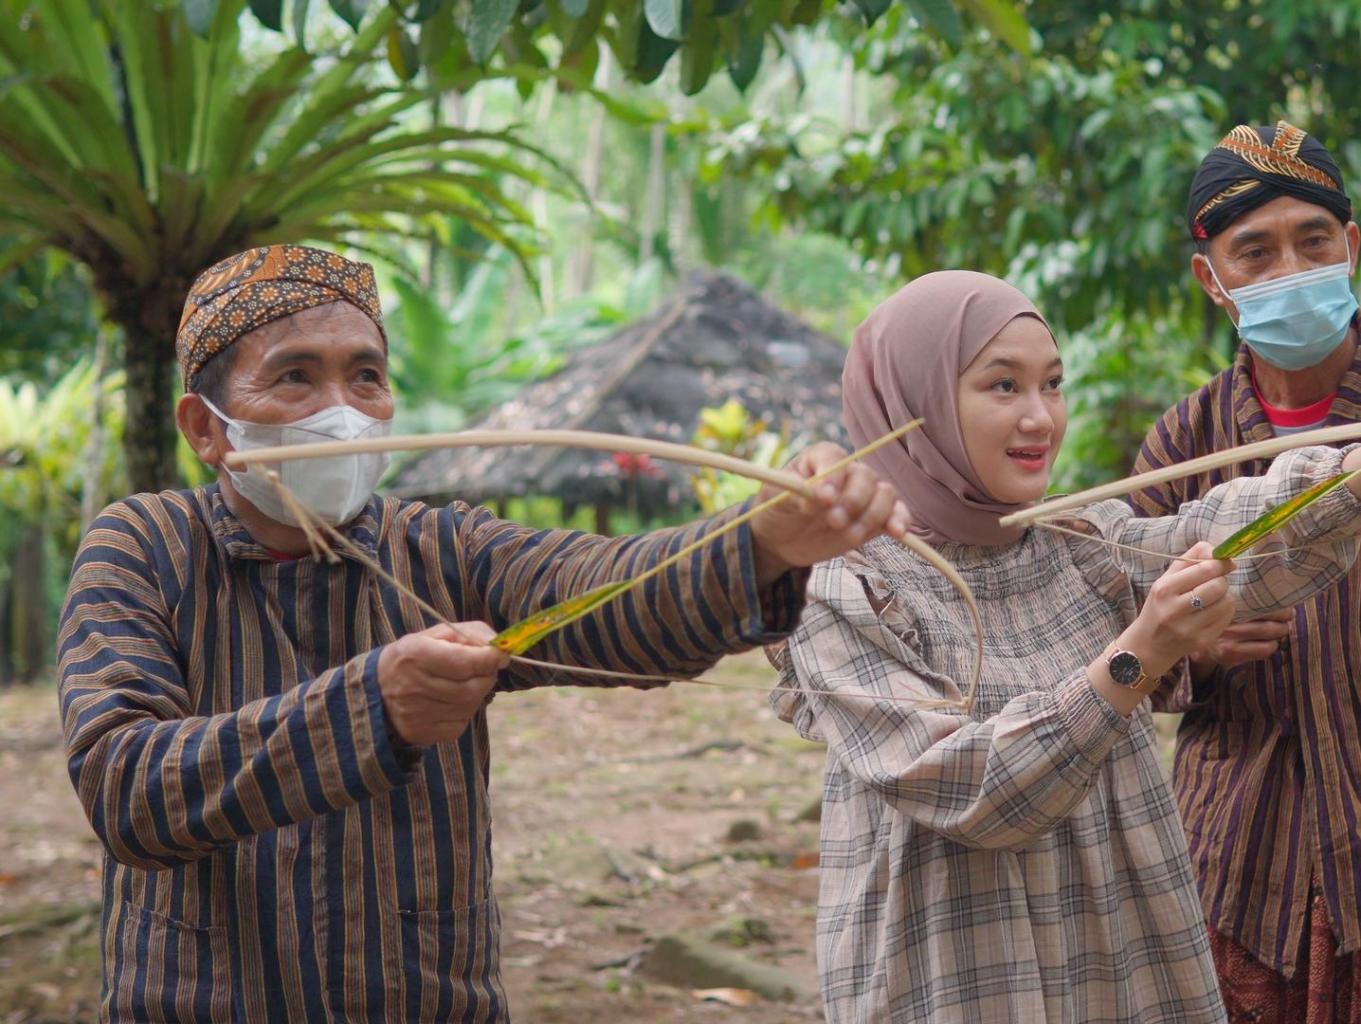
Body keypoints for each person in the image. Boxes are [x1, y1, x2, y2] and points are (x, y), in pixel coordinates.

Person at [57, 243, 910, 1023]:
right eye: (295, 379)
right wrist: (372, 707)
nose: (342, 413)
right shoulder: (143, 547)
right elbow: (125, 787)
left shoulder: (443, 549)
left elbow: (602, 590)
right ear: (204, 427)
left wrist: (758, 542)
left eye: (365, 377)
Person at [770, 269, 1361, 1022]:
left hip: (1117, 957)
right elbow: (969, 790)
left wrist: (1341, 482)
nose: (1040, 417)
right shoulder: (842, 583)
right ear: (912, 406)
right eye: (1002, 386)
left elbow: (1216, 539)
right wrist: (1138, 655)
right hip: (955, 970)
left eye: (1051, 384)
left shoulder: (1075, 538)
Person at [1130, 121, 1361, 1021]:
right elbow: (1117, 650)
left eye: (1313, 241)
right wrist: (1190, 648)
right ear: (1211, 279)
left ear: (1351, 247)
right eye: (1254, 252)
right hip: (1237, 855)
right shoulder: (1182, 445)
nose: (1290, 270)